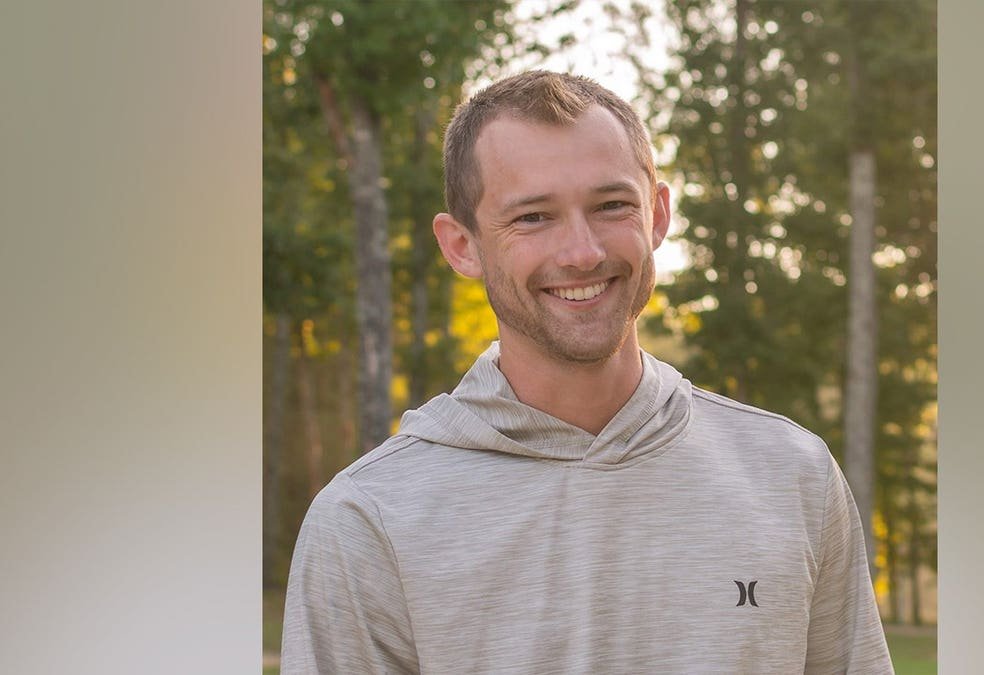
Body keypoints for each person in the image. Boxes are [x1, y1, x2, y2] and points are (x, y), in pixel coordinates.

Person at [281, 70, 893, 674]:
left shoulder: (792, 475)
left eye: (611, 206)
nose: (583, 253)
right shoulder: (370, 519)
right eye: (533, 218)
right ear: (461, 245)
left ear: (656, 215)